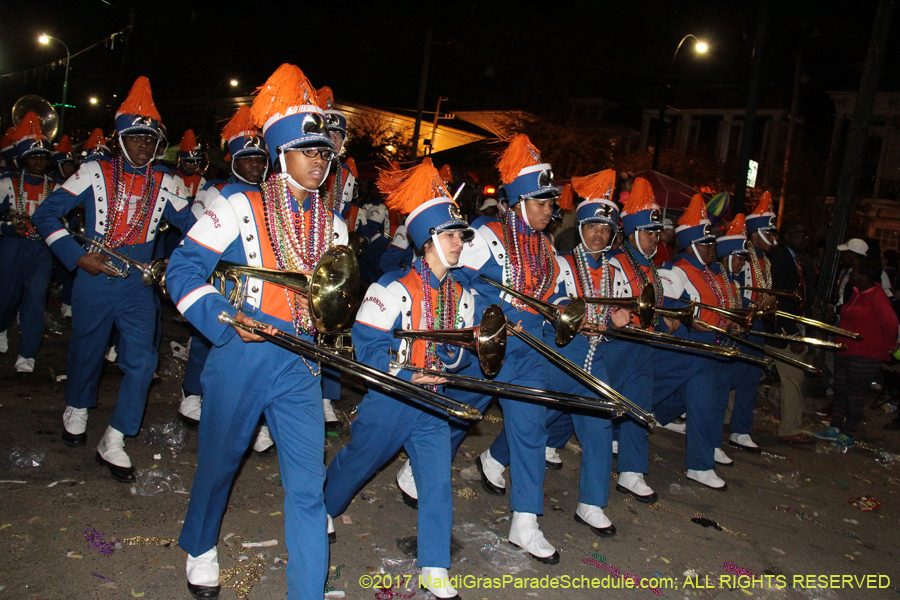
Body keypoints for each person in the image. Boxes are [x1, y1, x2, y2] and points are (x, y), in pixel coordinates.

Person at [166, 64, 343, 600]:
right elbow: (181, 269)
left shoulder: (332, 223)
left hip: (300, 365)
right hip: (241, 355)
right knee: (219, 467)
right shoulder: (240, 204)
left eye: (324, 152)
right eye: (308, 150)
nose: (319, 160)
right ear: (282, 151)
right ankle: (200, 544)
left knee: (310, 488)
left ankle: (306, 590)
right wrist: (224, 318)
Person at [33, 77, 196, 481]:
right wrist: (75, 257)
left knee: (143, 362)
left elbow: (194, 229)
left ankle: (116, 436)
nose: (143, 146)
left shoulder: (167, 181)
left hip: (138, 283)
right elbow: (45, 215)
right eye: (135, 138)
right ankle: (77, 403)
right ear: (121, 138)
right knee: (87, 347)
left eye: (150, 140)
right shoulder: (92, 170)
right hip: (95, 274)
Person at [326, 161, 473, 600]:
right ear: (428, 241)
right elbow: (367, 348)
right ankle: (323, 507)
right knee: (358, 463)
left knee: (437, 480)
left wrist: (456, 363)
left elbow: (462, 352)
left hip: (432, 402)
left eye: (462, 236)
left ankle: (435, 565)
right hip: (391, 399)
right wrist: (408, 372)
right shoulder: (391, 287)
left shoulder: (462, 294)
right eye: (451, 236)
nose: (460, 244)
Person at [479, 169, 633, 535]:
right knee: (534, 418)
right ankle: (495, 457)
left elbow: (615, 311)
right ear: (580, 229)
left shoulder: (615, 271)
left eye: (606, 229)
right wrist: (572, 317)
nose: (599, 233)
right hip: (556, 352)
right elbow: (548, 302)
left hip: (594, 357)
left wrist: (616, 319)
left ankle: (591, 503)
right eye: (593, 226)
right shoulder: (560, 260)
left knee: (597, 423)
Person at [179, 106, 270, 427]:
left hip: (256, 284)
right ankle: (191, 395)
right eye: (249, 158)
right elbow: (194, 232)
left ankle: (250, 414)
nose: (257, 164)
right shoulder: (215, 191)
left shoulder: (270, 196)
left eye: (261, 158)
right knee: (207, 338)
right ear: (233, 161)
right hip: (221, 281)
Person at [654, 194, 734, 489]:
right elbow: (666, 310)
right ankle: (617, 429)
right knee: (650, 395)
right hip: (681, 350)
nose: (711, 248)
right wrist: (691, 322)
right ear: (690, 245)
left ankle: (700, 463)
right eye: (705, 244)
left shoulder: (710, 272)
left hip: (705, 350)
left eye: (712, 243)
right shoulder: (674, 270)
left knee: (703, 403)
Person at [815, 255, 897, 447]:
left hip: (864, 354)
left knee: (855, 395)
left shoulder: (877, 296)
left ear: (865, 275)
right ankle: (835, 428)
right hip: (846, 350)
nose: (851, 273)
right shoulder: (858, 293)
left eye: (855, 270)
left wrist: (886, 344)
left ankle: (848, 433)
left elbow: (892, 323)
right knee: (841, 391)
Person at [0, 113, 55, 375]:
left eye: (43, 157)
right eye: (33, 156)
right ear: (23, 159)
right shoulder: (7, 182)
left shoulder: (56, 186)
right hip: (12, 247)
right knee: (6, 297)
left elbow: (63, 220)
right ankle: (1, 328)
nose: (39, 161)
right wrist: (9, 229)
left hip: (41, 250)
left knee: (35, 299)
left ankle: (27, 353)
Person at [764, 214, 816, 444]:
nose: (806, 238)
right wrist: (792, 331)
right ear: (788, 236)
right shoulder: (779, 258)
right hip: (782, 329)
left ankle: (727, 417)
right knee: (793, 378)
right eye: (801, 234)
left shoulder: (796, 258)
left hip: (792, 326)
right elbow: (776, 298)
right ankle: (790, 429)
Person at [717, 214, 764, 454]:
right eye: (738, 258)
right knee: (718, 386)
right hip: (719, 337)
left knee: (748, 379)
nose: (742, 264)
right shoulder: (717, 277)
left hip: (740, 332)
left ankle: (739, 431)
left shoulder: (733, 280)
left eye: (744, 259)